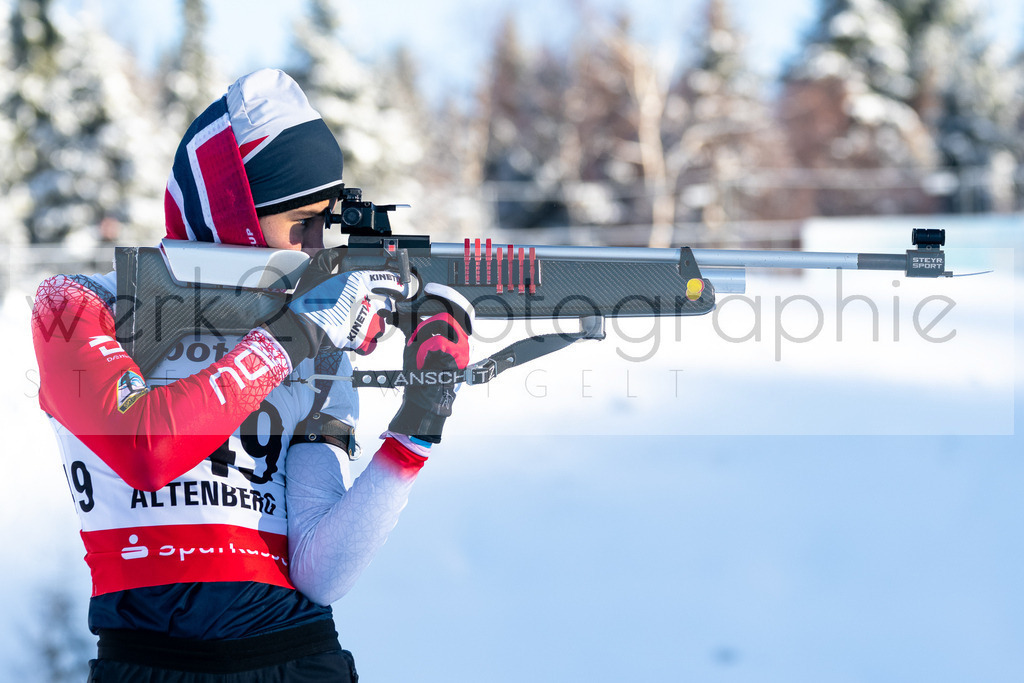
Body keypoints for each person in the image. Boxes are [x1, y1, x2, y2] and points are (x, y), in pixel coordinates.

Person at [31, 68, 471, 681]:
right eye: (303, 225)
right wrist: (299, 335)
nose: (320, 249)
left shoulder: (319, 339)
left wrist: (421, 420)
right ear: (233, 210)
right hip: (147, 664)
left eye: (328, 225)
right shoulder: (77, 303)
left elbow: (320, 573)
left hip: (296, 658)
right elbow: (143, 446)